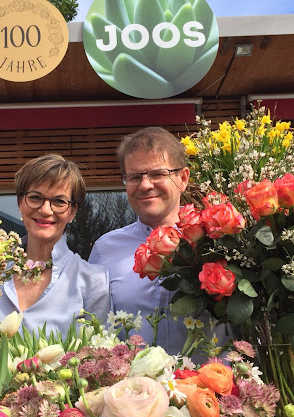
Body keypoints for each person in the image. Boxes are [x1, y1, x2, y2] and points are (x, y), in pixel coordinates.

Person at [89, 127, 220, 354]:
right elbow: (95, 331)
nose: (145, 185)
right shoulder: (104, 250)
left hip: (210, 386)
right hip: (130, 387)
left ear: (183, 178)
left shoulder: (218, 239)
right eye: (134, 176)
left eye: (157, 174)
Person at [0, 153, 111, 334]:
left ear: (72, 211)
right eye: (35, 197)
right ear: (20, 202)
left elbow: (102, 355)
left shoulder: (93, 281)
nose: (45, 210)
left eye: (59, 201)